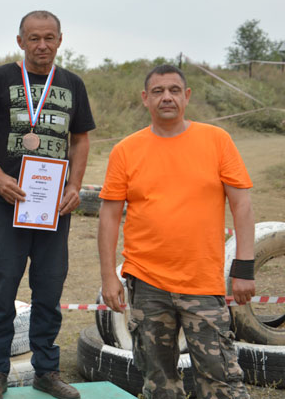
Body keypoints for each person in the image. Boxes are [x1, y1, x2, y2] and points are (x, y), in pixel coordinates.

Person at [98, 64, 254, 399]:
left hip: (202, 283)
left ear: (187, 96)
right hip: (147, 284)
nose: (166, 97)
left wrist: (244, 267)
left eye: (173, 90)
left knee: (222, 381)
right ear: (145, 99)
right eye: (157, 91)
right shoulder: (125, 150)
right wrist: (108, 278)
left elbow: (242, 205)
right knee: (159, 383)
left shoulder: (217, 141)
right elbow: (109, 216)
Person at [0, 11, 94, 399]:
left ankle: (47, 371)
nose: (42, 45)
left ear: (60, 40)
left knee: (49, 290)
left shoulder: (72, 84)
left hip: (52, 208)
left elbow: (80, 140)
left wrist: (74, 184)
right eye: (34, 38)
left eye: (50, 38)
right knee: (3, 291)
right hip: (7, 205)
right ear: (20, 41)